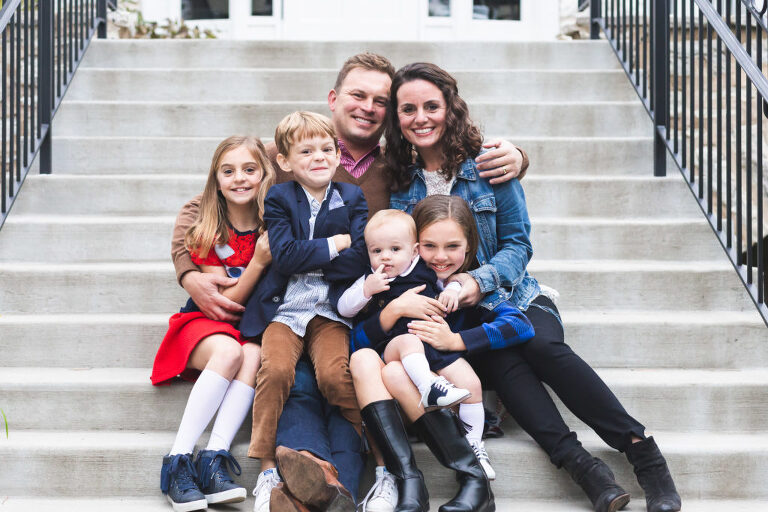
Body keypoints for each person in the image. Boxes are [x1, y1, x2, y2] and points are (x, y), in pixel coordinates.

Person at [170, 53, 529, 511]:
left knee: (342, 374)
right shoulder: (299, 149)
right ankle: (300, 473)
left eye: (381, 100)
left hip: (355, 304)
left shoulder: (399, 166)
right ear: (334, 98)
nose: (368, 107)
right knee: (294, 378)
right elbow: (209, 200)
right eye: (358, 95)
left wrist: (519, 157)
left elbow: (453, 189)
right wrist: (187, 270)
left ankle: (340, 478)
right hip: (294, 303)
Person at [361, 61, 682, 512]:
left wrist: (477, 280)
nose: (421, 117)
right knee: (508, 365)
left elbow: (516, 245)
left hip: (514, 295)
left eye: (431, 106)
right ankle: (585, 470)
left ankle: (641, 451)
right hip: (460, 320)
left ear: (450, 108)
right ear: (396, 119)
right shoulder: (400, 185)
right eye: (408, 109)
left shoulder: (490, 163)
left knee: (541, 347)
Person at [351, 196, 536, 512]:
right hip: (400, 396)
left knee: (396, 371)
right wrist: (392, 311)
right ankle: (407, 478)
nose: (439, 257)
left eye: (452, 246)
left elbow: (520, 325)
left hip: (449, 394)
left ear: (469, 246)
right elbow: (356, 341)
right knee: (365, 359)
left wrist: (457, 341)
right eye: (428, 246)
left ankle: (472, 478)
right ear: (413, 246)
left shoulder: (467, 286)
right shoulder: (392, 280)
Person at [245, 111, 369, 512]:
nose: (319, 157)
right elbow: (281, 257)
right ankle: (265, 468)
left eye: (327, 149)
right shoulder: (280, 198)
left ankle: (367, 436)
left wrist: (309, 255)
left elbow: (361, 260)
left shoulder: (352, 197)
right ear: (284, 161)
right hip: (286, 308)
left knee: (335, 374)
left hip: (332, 309)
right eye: (306, 150)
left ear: (338, 155)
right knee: (276, 370)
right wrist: (335, 244)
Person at [151, 136, 275, 512]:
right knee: (230, 350)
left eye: (249, 169)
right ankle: (177, 460)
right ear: (216, 180)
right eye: (229, 171)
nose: (239, 178)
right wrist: (259, 262)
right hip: (204, 323)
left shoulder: (275, 222)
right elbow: (226, 303)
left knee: (252, 353)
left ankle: (213, 459)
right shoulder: (206, 228)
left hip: (249, 327)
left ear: (265, 174)